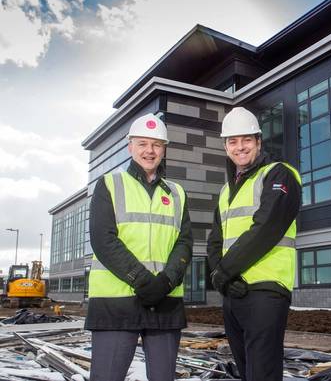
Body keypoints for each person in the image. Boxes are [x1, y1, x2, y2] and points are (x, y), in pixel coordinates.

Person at [85, 113, 193, 381]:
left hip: (165, 303)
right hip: (116, 305)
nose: (150, 150)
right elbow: (104, 240)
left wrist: (166, 281)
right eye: (143, 143)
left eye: (156, 145)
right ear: (130, 146)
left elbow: (184, 241)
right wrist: (143, 281)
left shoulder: (177, 192)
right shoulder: (110, 185)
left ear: (164, 149)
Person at [207, 107, 301, 381]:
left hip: (266, 291)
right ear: (225, 147)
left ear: (258, 142)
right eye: (233, 141)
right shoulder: (226, 191)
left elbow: (266, 229)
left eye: (246, 139)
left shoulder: (279, 175)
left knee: (262, 372)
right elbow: (215, 241)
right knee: (246, 371)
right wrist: (219, 277)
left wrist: (223, 273)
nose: (240, 147)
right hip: (232, 294)